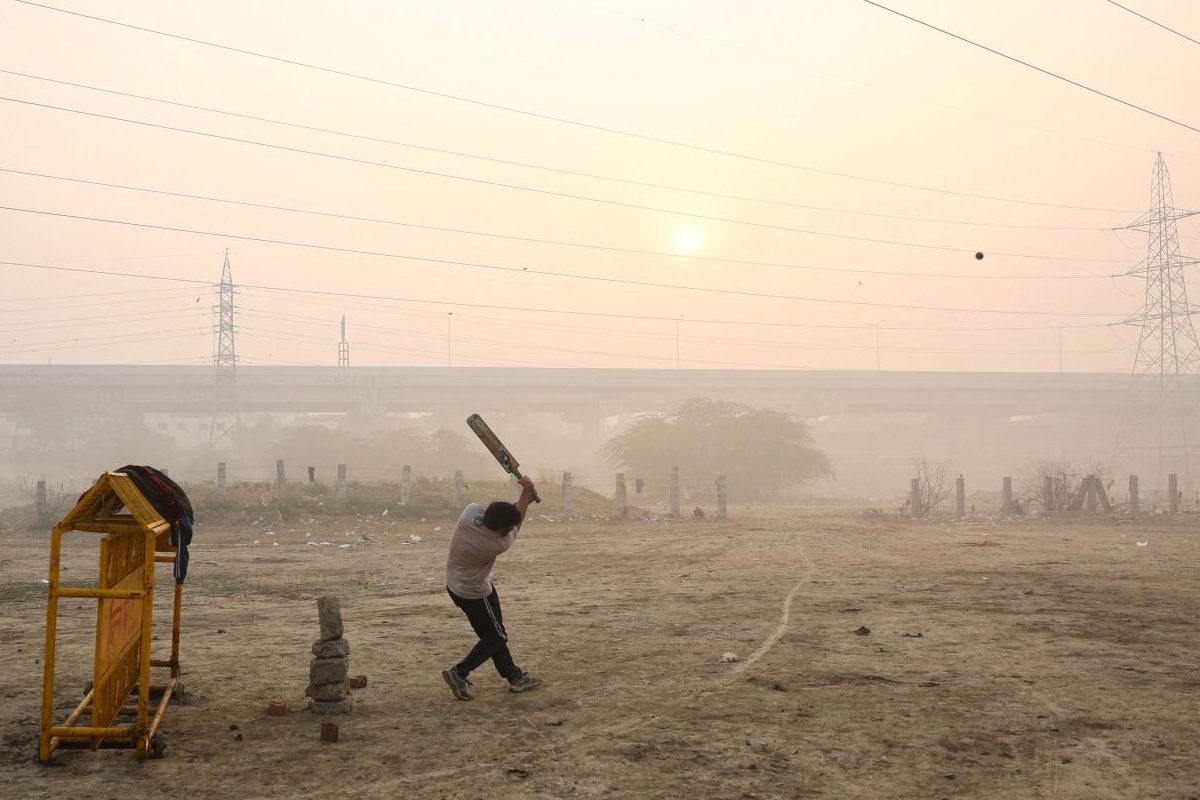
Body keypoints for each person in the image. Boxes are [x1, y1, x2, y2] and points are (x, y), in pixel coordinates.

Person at [442, 475, 542, 700]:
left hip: (457, 584)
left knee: (494, 634)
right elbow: (516, 522)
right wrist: (525, 493)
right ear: (501, 529)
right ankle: (459, 672)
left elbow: (508, 517)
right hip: (473, 592)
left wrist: (524, 497)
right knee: (496, 637)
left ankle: (515, 677)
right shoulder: (497, 543)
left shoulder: (470, 512)